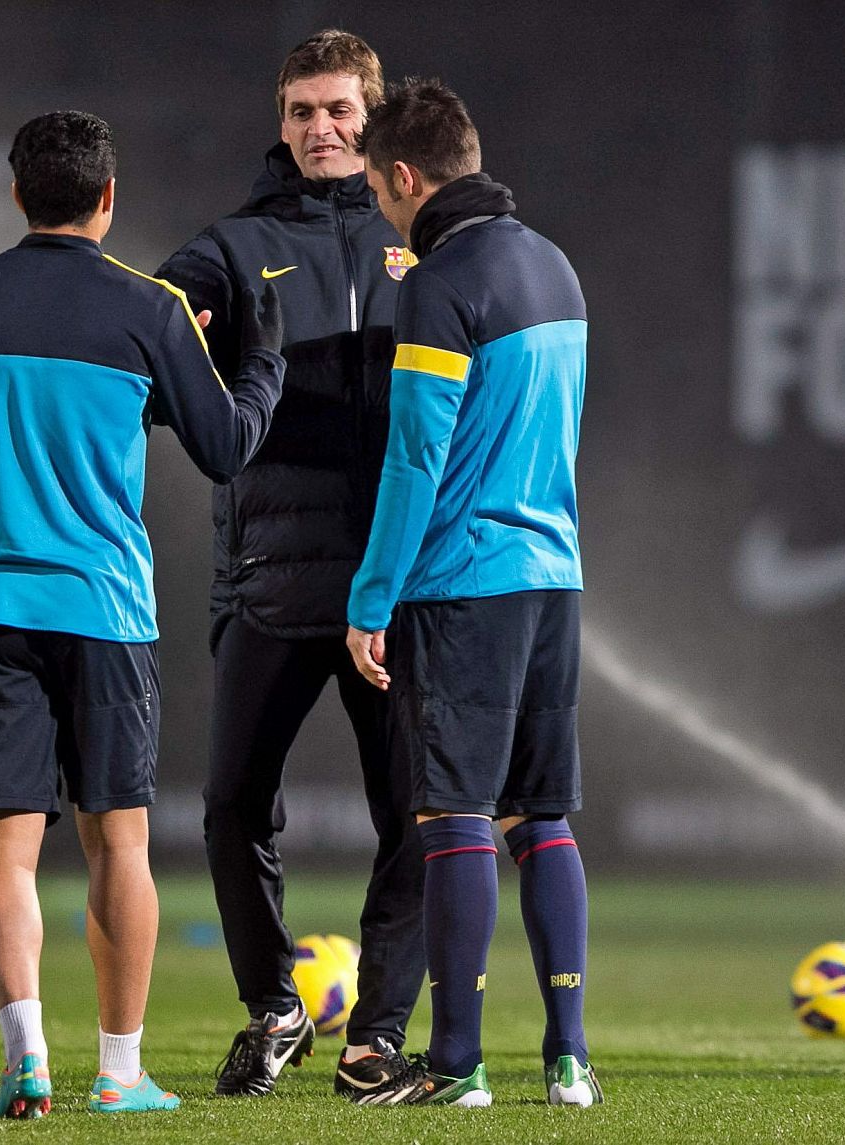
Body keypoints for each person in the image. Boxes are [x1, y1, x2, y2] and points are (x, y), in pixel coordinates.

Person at [0, 110, 284, 1119]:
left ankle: (27, 1059)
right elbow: (227, 444)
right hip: (104, 611)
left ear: (17, 194)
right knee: (118, 842)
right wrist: (263, 362)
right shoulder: (148, 310)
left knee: (3, 852)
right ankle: (118, 1070)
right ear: (108, 198)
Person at [156, 28, 427, 1099]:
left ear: (375, 118)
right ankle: (274, 1007)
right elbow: (149, 344)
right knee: (230, 804)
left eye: (341, 110)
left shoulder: (426, 239)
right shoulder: (228, 248)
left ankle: (376, 1036)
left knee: (412, 811)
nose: (322, 127)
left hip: (394, 589)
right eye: (304, 110)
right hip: (268, 576)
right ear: (281, 121)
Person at [344, 79, 598, 1107]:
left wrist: (370, 597)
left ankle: (454, 1063)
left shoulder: (440, 285)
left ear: (403, 176)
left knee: (451, 812)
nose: (376, 203)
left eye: (375, 185)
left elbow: (415, 458)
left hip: (463, 585)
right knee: (542, 817)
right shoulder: (552, 263)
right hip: (555, 578)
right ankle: (569, 1058)